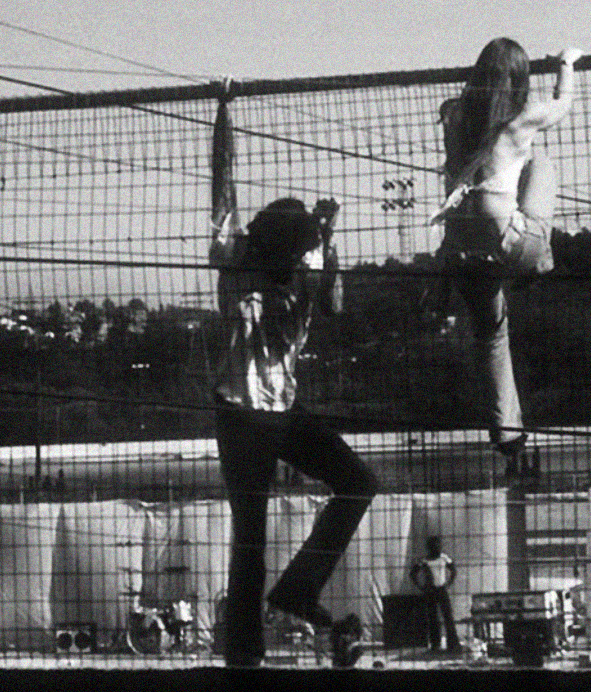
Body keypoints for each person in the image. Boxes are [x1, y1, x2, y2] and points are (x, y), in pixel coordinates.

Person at [209, 92, 378, 668]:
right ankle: (244, 654)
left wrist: (328, 241)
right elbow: (222, 186)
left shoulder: (303, 261)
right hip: (240, 412)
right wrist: (223, 114)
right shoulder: (234, 256)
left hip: (280, 408)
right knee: (249, 535)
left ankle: (297, 590)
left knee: (357, 482)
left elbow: (334, 303)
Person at [429, 38, 583, 478]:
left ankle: (507, 434)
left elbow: (458, 111)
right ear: (519, 79)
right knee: (542, 163)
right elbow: (563, 104)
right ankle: (541, 261)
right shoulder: (522, 119)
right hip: (510, 244)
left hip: (461, 244)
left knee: (492, 337)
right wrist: (567, 64)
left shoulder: (453, 114)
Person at [410, 536, 460, 652]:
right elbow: (412, 574)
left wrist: (448, 583)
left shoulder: (444, 558)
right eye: (434, 546)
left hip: (441, 589)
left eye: (438, 545)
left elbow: (453, 570)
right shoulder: (424, 561)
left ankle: (453, 644)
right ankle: (435, 644)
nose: (437, 548)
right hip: (430, 591)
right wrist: (421, 587)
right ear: (429, 547)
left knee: (448, 616)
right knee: (432, 617)